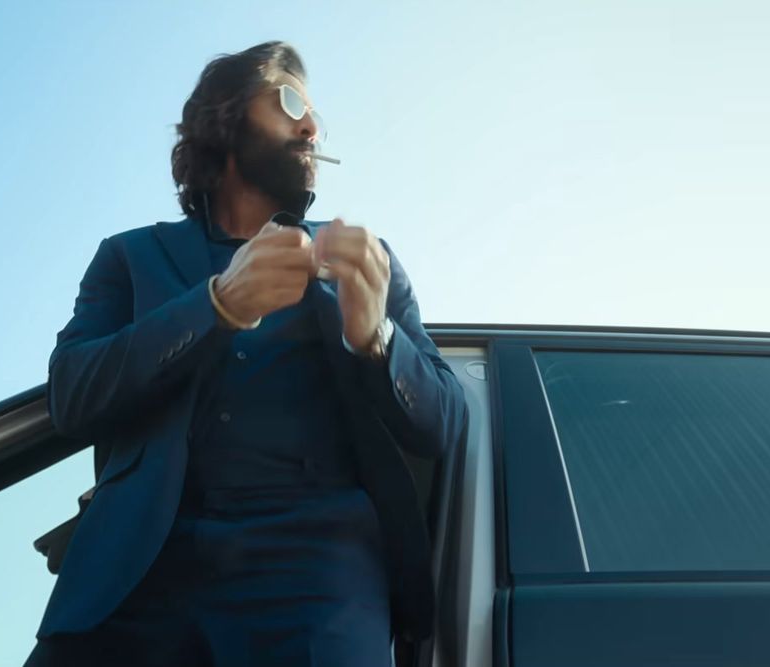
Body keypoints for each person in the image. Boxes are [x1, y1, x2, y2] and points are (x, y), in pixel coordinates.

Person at [26, 41, 469, 667]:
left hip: (317, 588)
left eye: (315, 114)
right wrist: (216, 305)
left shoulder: (368, 263)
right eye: (290, 100)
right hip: (134, 585)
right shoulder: (129, 257)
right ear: (224, 118)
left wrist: (376, 336)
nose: (311, 125)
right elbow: (71, 394)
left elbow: (447, 422)